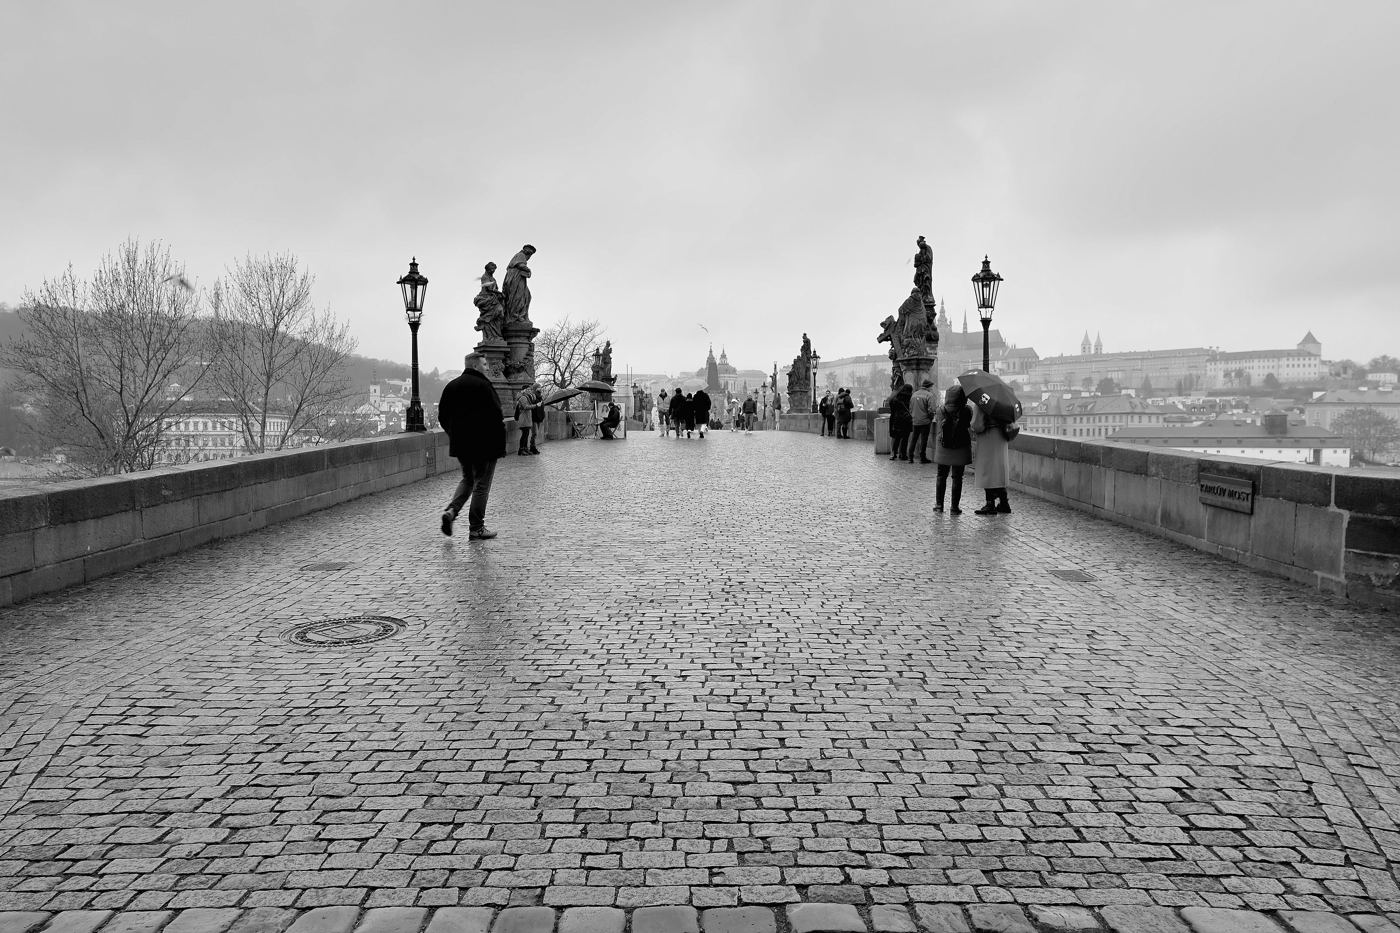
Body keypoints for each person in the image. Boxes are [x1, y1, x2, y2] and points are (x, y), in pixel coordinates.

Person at [438, 353, 507, 539]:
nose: (487, 367)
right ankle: (476, 527)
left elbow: (442, 416)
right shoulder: (484, 386)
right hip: (485, 445)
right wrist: (500, 446)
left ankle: (452, 511)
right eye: (484, 364)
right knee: (482, 486)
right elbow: (496, 417)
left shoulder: (452, 386)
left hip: (462, 445)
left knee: (468, 480)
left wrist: (455, 435)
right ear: (476, 366)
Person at [932, 386, 972, 514]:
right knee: (957, 477)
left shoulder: (940, 410)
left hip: (944, 446)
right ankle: (954, 508)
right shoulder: (967, 410)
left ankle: (939, 505)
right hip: (961, 446)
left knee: (941, 476)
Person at [971, 404, 1012, 515]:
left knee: (987, 471)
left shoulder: (982, 402)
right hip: (1002, 438)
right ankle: (1004, 503)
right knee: (999, 470)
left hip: (987, 438)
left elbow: (977, 425)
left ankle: (990, 504)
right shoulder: (1003, 403)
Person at [502, 244, 536, 324]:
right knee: (517, 296)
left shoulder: (519, 255)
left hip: (518, 278)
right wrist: (528, 270)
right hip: (515, 279)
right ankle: (515, 316)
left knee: (526, 296)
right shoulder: (521, 255)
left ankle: (521, 315)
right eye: (530, 253)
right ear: (526, 250)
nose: (530, 256)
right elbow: (520, 265)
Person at [909, 379, 935, 463]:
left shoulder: (914, 394)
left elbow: (910, 408)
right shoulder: (929, 395)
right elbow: (932, 409)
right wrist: (931, 418)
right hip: (925, 421)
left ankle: (910, 457)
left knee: (914, 439)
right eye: (931, 387)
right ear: (929, 387)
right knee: (924, 440)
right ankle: (922, 458)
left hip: (915, 420)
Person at [512, 383, 541, 455]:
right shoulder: (523, 397)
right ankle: (521, 450)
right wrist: (536, 405)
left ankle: (525, 448)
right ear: (523, 390)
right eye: (527, 389)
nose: (529, 390)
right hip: (523, 419)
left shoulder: (527, 397)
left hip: (527, 418)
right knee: (524, 435)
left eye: (530, 389)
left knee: (526, 435)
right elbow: (525, 407)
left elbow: (531, 402)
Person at [888, 383, 913, 461]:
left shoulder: (896, 398)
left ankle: (894, 453)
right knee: (905, 438)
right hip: (906, 420)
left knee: (897, 438)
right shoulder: (910, 398)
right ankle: (903, 455)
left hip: (897, 420)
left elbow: (893, 411)